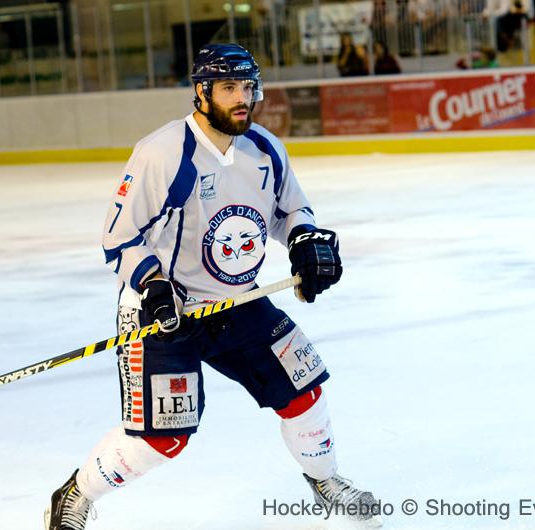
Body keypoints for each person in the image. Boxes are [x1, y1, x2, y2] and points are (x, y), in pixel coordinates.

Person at [43, 43, 381, 530]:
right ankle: (76, 493)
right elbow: (119, 236)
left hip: (239, 303)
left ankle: (325, 481)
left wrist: (305, 241)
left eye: (247, 86)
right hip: (163, 311)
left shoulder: (265, 149)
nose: (243, 98)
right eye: (229, 88)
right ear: (202, 92)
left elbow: (291, 212)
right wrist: (154, 286)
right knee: (163, 439)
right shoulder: (162, 153)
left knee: (304, 391)